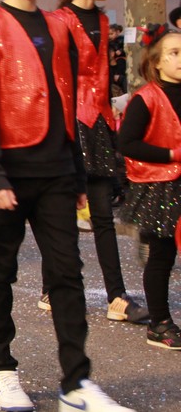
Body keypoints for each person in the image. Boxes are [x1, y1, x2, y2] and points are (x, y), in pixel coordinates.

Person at [0, 0, 134, 412]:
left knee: (67, 273)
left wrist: (76, 172)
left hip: (56, 168)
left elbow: (65, 100)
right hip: (7, 171)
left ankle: (76, 383)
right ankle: (0, 369)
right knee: (1, 270)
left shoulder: (60, 27)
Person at [46, 0, 148, 323]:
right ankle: (51, 287)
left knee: (102, 213)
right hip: (68, 123)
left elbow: (100, 74)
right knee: (60, 213)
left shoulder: (104, 22)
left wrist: (113, 105)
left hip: (99, 122)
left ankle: (116, 296)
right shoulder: (58, 21)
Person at [117, 24, 181, 350]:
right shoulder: (146, 98)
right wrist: (171, 154)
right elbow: (127, 143)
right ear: (156, 61)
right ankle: (159, 323)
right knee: (162, 256)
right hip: (161, 187)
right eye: (174, 53)